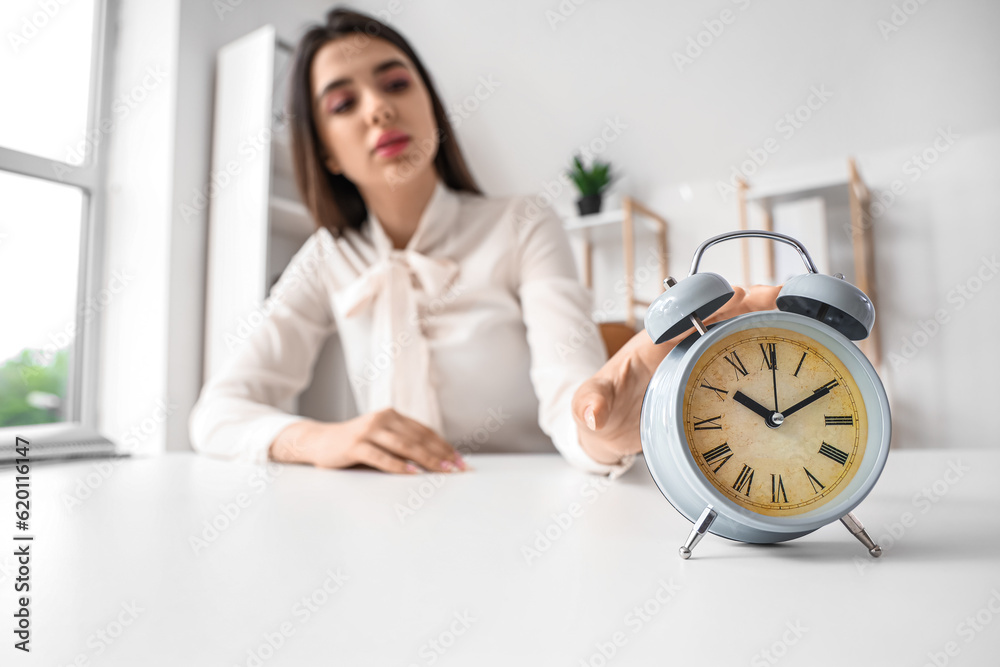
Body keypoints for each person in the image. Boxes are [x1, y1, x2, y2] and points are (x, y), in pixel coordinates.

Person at [188, 7, 779, 478]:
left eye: (395, 82)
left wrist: (600, 431)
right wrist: (322, 438)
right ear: (324, 152)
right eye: (343, 103)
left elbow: (567, 391)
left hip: (524, 500)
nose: (379, 108)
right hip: (386, 513)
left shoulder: (522, 223)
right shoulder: (327, 256)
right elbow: (216, 415)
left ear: (432, 107)